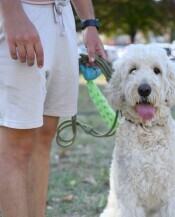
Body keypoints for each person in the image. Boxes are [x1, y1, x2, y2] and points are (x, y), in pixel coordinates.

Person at [0, 0, 107, 216]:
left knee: (43, 137)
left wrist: (89, 23)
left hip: (62, 15)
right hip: (22, 10)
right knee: (16, 145)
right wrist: (12, 14)